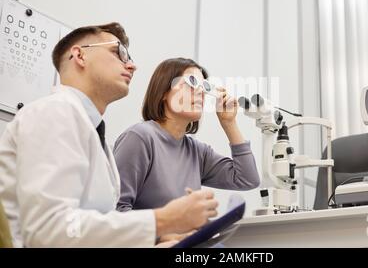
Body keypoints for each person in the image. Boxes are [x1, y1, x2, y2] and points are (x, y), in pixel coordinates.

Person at [0, 23, 218, 247]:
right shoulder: (55, 112)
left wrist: (159, 242)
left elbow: (90, 233)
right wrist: (163, 220)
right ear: (80, 55)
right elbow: (47, 231)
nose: (132, 65)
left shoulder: (92, 133)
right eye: (118, 53)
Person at [114, 57, 260, 212]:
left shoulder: (197, 152)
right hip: (150, 237)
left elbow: (247, 179)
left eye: (204, 86)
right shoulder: (140, 138)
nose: (200, 91)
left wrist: (229, 123)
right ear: (164, 91)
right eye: (191, 82)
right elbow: (116, 209)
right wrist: (164, 235)